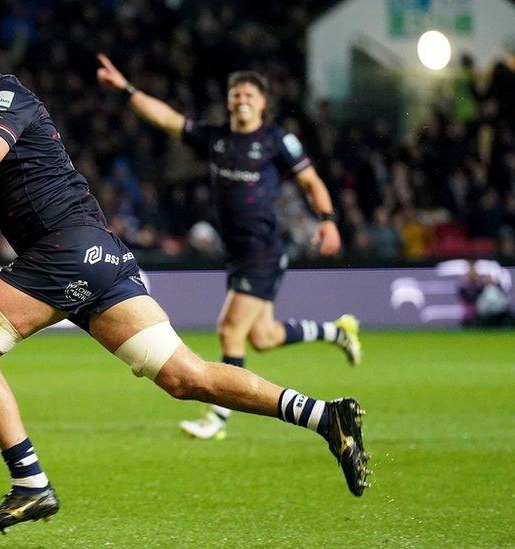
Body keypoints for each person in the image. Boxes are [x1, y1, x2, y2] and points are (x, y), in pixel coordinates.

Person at [0, 16, 370, 538]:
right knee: (186, 378)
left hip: (64, 248)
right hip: (94, 254)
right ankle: (327, 417)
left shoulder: (8, 96)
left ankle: (30, 484)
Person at [96, 54, 362, 440]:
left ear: (263, 102)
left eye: (249, 94)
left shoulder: (276, 140)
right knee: (264, 336)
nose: (241, 99)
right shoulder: (216, 138)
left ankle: (217, 418)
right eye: (235, 93)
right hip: (237, 252)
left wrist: (328, 220)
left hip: (263, 250)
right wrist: (127, 89)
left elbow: (311, 181)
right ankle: (337, 332)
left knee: (230, 332)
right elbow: (166, 118)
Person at [458, 263, 515, 328]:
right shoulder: (467, 286)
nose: (474, 274)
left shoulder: (484, 285)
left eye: (475, 272)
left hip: (496, 312)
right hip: (479, 314)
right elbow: (471, 298)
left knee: (512, 316)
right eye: (472, 272)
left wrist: (494, 283)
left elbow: (501, 293)